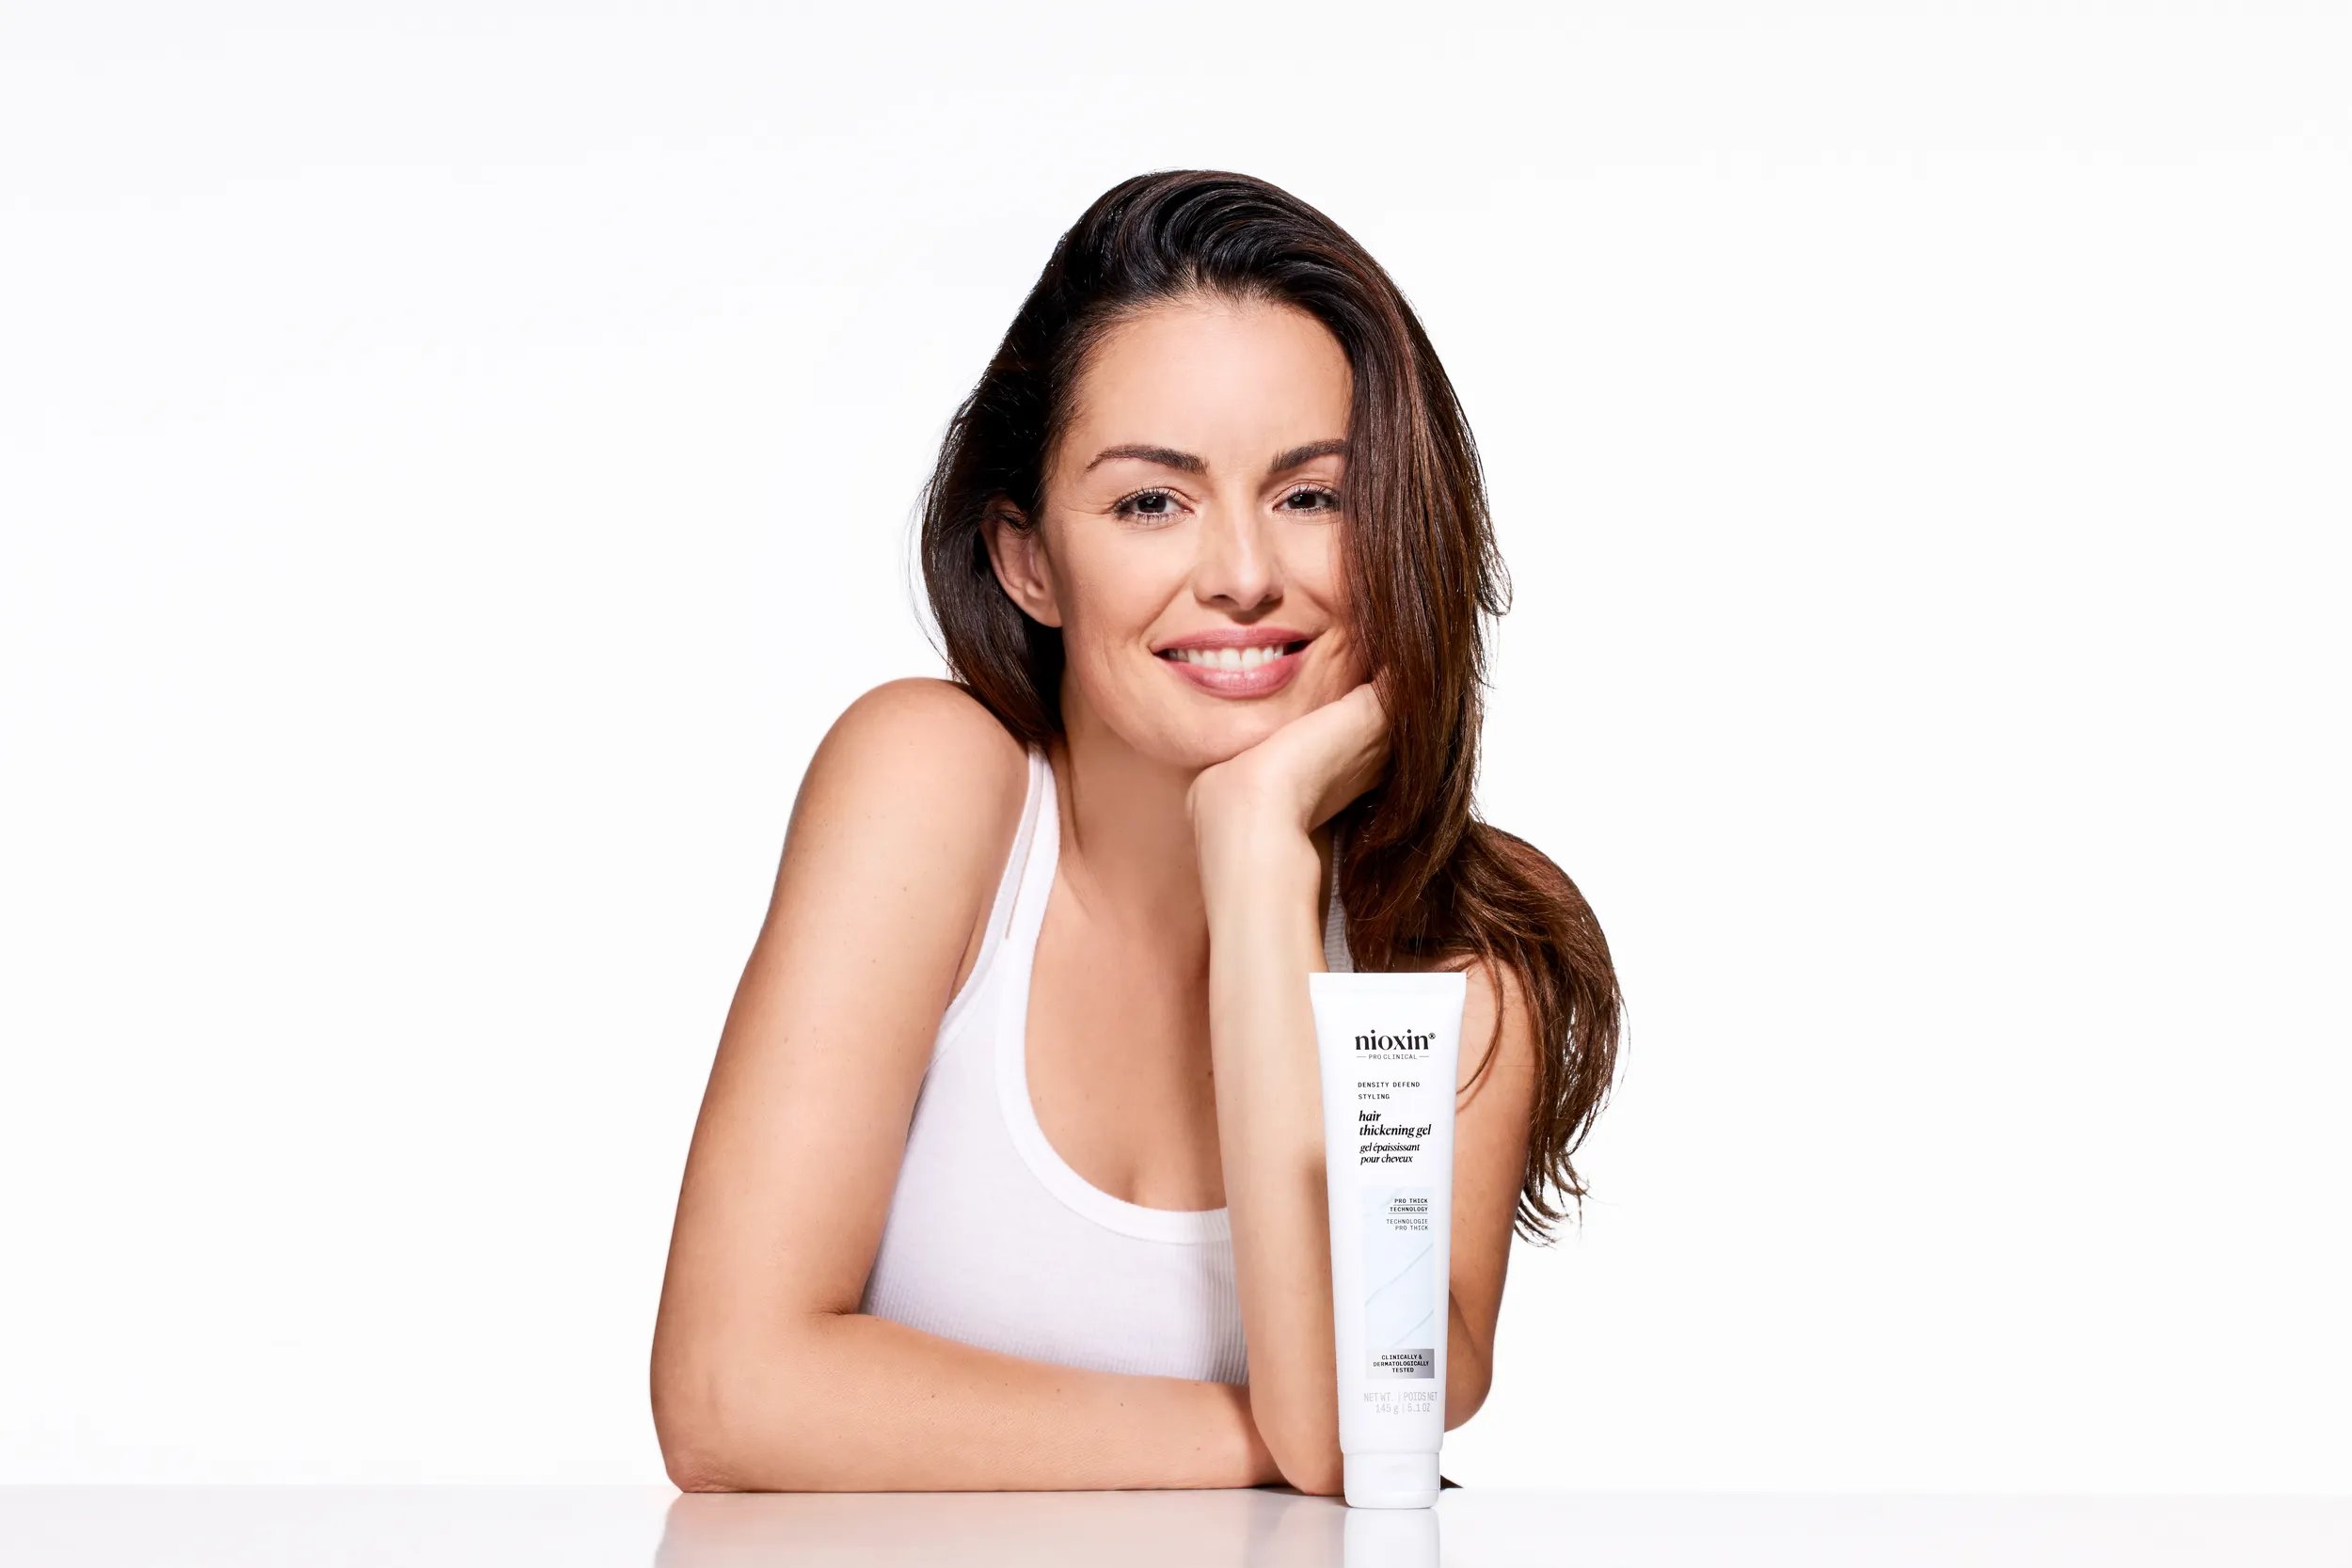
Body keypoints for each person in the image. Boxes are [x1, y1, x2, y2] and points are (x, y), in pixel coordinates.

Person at [648, 169, 1623, 1496]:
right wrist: (1280, 1446)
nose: (1240, 573)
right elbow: (728, 1395)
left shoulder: (1463, 943)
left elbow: (1387, 1410)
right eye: (1151, 502)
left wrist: (1262, 858)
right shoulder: (933, 786)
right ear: (1027, 558)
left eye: (1314, 497)